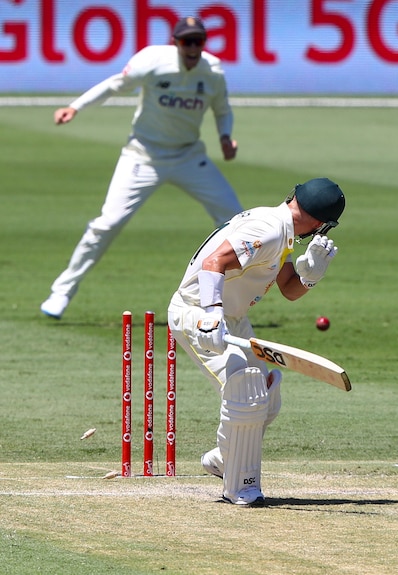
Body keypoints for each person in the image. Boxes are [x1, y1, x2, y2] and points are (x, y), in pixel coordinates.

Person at [40, 16, 243, 319]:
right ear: (175, 42)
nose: (192, 47)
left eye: (197, 41)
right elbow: (114, 85)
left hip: (189, 156)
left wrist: (225, 137)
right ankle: (62, 291)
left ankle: (237, 299)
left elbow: (222, 110)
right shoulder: (152, 60)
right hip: (143, 155)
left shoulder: (212, 70)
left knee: (237, 222)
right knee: (107, 224)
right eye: (186, 41)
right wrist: (75, 106)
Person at [167, 177, 346, 505]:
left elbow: (289, 289)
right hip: (198, 313)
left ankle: (224, 460)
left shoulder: (282, 229)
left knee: (267, 390)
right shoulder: (271, 230)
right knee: (245, 387)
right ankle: (240, 488)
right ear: (321, 224)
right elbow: (214, 263)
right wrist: (210, 314)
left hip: (232, 319)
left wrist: (310, 276)